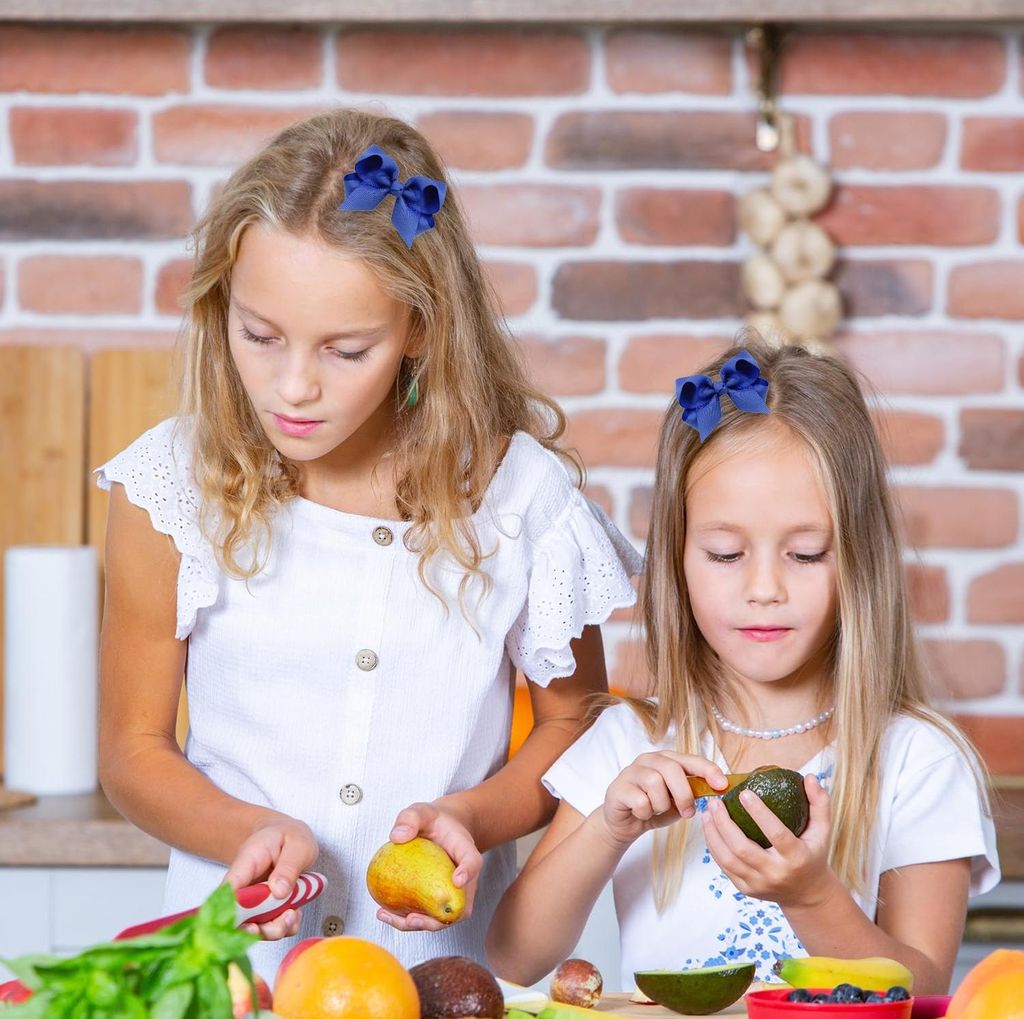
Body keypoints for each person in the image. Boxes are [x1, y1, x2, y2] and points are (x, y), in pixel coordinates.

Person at [94, 108, 641, 981]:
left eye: (346, 349)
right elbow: (130, 749)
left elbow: (574, 722)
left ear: (421, 328)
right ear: (220, 304)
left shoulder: (519, 497)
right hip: (238, 969)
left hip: (443, 974)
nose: (293, 386)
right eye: (259, 335)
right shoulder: (170, 484)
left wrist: (475, 814)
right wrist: (249, 831)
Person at [486, 343, 999, 995]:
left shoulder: (914, 761)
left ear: (860, 561)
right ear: (678, 557)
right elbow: (510, 956)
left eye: (806, 554)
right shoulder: (625, 743)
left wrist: (812, 896)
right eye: (726, 554)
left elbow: (922, 992)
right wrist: (607, 827)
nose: (764, 588)